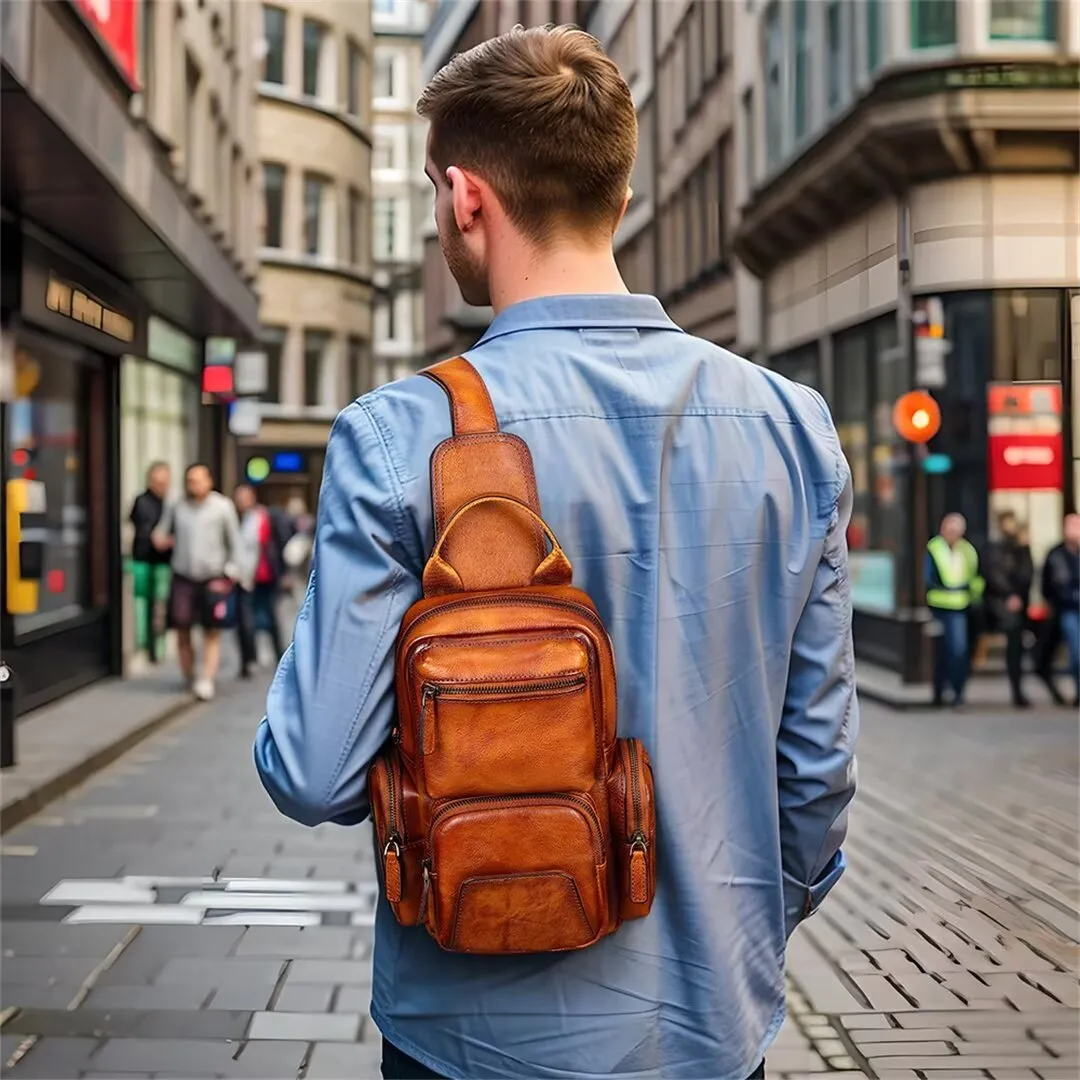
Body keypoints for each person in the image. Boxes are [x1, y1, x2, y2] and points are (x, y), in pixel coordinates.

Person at [254, 25, 857, 1080]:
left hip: (472, 1042)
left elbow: (312, 772)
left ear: (465, 199)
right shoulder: (791, 427)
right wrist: (732, 918)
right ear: (618, 200)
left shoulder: (399, 437)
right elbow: (815, 775)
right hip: (711, 1030)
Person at [153, 464, 242, 701]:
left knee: (211, 629)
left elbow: (235, 542)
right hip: (183, 575)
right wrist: (161, 540)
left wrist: (230, 573)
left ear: (209, 481)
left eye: (198, 480)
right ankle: (189, 674)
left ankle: (207, 678)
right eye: (190, 480)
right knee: (182, 626)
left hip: (213, 577)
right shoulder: (177, 505)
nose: (193, 485)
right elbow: (160, 532)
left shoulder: (222, 507)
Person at [926, 513, 984, 708]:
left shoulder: (968, 551)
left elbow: (975, 577)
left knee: (958, 651)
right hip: (938, 607)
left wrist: (972, 594)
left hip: (961, 607)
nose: (951, 534)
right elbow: (928, 578)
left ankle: (958, 692)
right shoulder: (934, 548)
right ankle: (939, 691)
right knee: (942, 653)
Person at [233, 484, 289, 677]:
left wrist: (283, 572)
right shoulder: (235, 520)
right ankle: (248, 660)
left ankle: (279, 658)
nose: (241, 502)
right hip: (243, 577)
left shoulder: (264, 518)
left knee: (272, 618)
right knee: (245, 620)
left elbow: (279, 545)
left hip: (266, 576)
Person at [983, 510, 1034, 707]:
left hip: (1018, 604)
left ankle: (1018, 690)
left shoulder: (1020, 548)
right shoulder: (994, 548)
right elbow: (993, 574)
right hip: (998, 604)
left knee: (1016, 648)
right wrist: (1009, 595)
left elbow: (1027, 574)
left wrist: (1024, 549)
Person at [129, 462, 172, 664]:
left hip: (163, 562)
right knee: (142, 603)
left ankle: (158, 647)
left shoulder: (170, 504)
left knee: (160, 605)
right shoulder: (142, 501)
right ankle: (144, 645)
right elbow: (143, 527)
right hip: (143, 559)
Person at [1039, 513, 1080, 707]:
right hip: (1067, 609)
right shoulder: (1056, 554)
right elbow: (1046, 584)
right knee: (1076, 652)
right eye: (1070, 526)